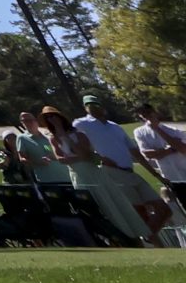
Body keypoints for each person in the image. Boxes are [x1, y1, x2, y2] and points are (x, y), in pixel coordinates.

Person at [46, 101, 152, 242]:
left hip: (93, 174)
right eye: (48, 119)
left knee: (111, 203)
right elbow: (61, 159)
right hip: (78, 175)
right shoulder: (53, 139)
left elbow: (84, 154)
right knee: (89, 207)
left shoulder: (79, 135)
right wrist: (76, 156)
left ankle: (130, 236)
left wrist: (66, 139)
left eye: (54, 117)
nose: (52, 121)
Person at [133, 103, 186, 209]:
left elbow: (183, 149)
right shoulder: (140, 132)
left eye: (147, 112)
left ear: (154, 111)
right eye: (142, 113)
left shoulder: (173, 130)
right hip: (171, 177)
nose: (146, 115)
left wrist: (157, 129)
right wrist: (171, 149)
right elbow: (147, 154)